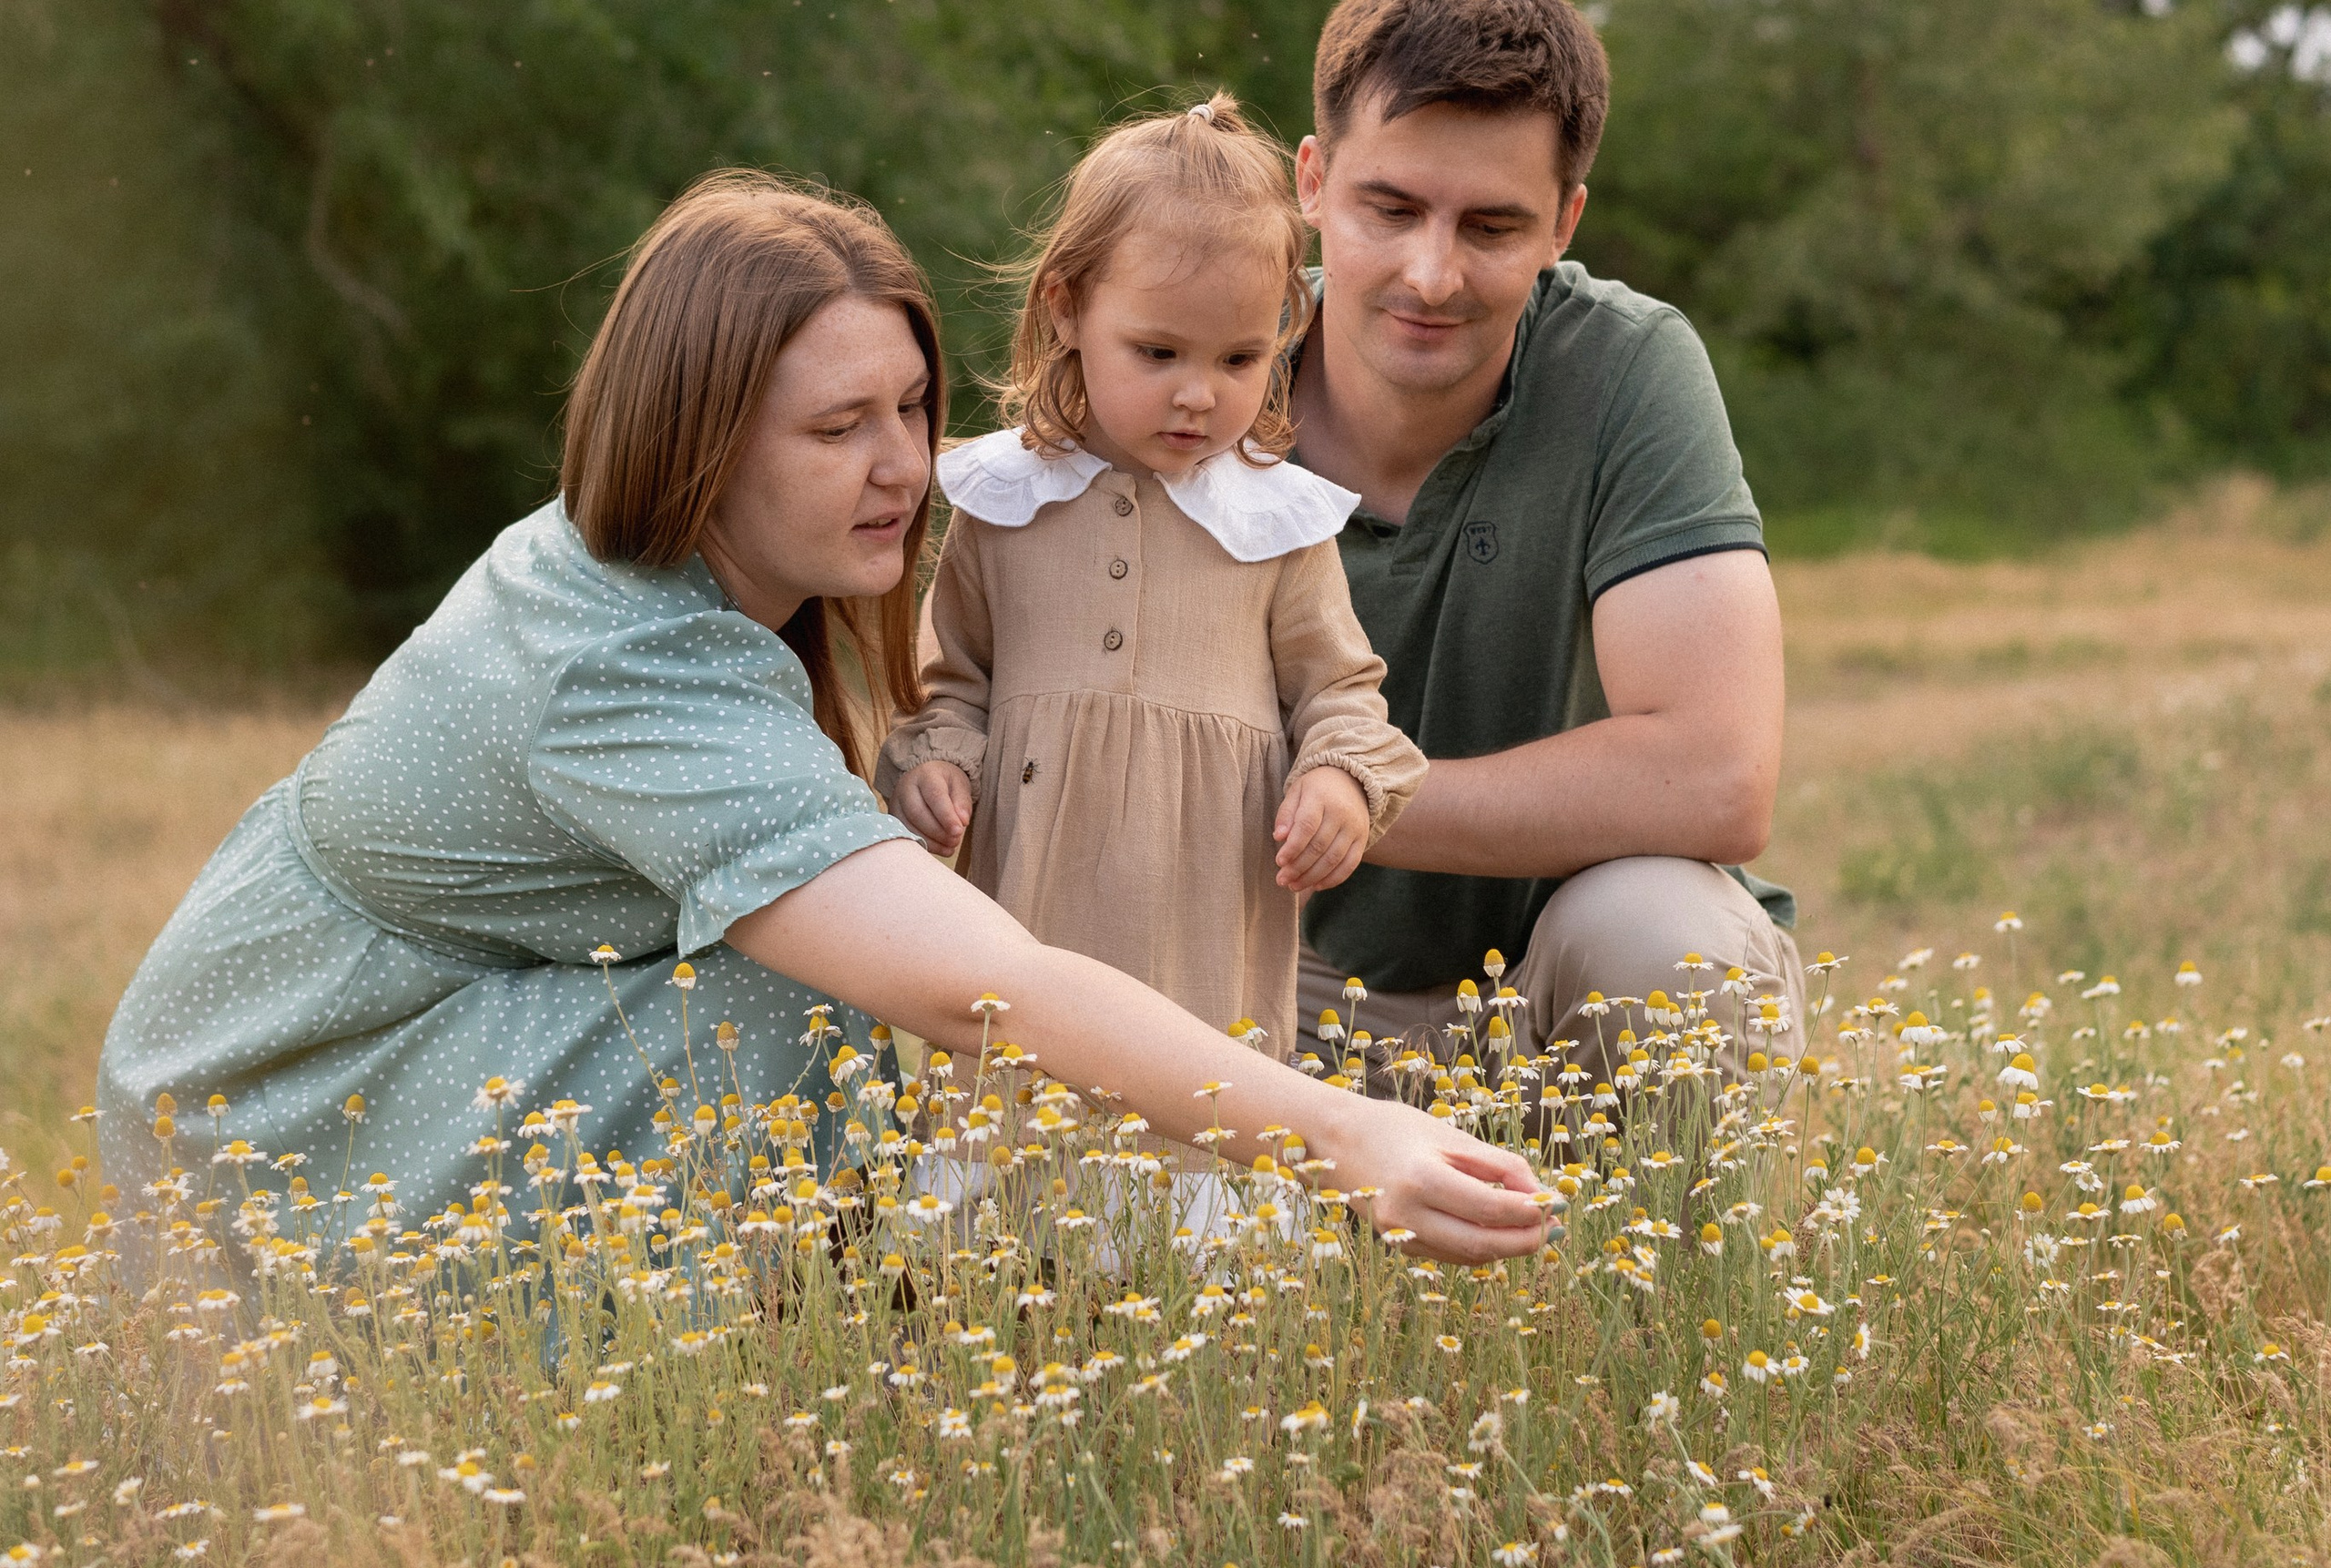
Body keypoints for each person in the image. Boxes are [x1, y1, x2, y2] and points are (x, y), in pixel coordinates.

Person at [97, 171, 1538, 1268]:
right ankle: (709, 1354)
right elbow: (987, 987)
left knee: (809, 975)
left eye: (912, 407)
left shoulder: (680, 578)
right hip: (273, 1108)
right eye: (836, 425)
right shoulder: (629, 667)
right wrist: (1345, 1136)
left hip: (337, 1037)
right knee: (796, 985)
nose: (903, 465)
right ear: (699, 434)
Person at [1287, 0, 1801, 1085]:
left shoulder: (1627, 367)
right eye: (1391, 207)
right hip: (1276, 980)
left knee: (1663, 939)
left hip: (1539, 984)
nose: (1431, 273)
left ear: (1563, 221)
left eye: (1490, 226)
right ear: (1312, 181)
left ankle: (1669, 1255)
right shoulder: (1197, 365)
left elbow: (1718, 775)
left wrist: (1348, 794)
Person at [879, 96, 1421, 1058]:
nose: (1198, 392)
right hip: (1030, 895)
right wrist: (937, 764)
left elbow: (1339, 692)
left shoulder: (1274, 520)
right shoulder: (1006, 500)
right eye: (1158, 351)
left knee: (1196, 1112)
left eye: (1240, 357)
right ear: (1069, 305)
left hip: (1202, 910)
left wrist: (1338, 780)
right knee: (1022, 1115)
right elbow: (949, 680)